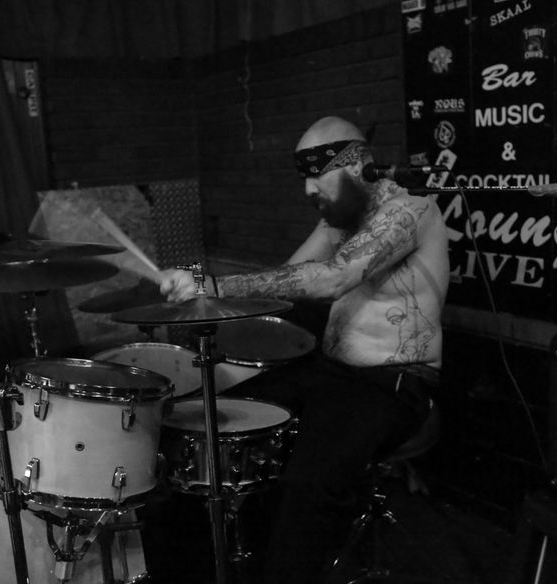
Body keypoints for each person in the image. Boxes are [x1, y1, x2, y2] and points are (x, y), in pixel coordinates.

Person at [160, 116, 450, 583]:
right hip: (331, 371)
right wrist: (200, 297)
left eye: (317, 175)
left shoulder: (409, 210)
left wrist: (212, 284)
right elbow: (289, 278)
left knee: (308, 482)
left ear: (355, 164)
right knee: (215, 422)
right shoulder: (340, 220)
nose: (308, 189)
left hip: (395, 381)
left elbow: (333, 278)